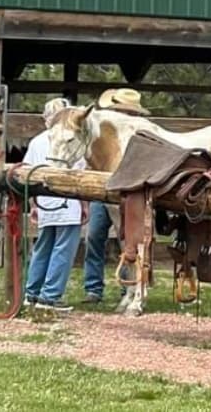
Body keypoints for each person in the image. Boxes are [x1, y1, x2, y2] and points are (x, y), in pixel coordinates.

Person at [82, 87, 150, 304]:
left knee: (128, 239)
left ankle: (127, 287)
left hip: (127, 193)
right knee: (94, 236)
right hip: (102, 191)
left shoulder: (140, 134)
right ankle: (94, 287)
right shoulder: (104, 134)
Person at [23, 97, 83, 312]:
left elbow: (27, 174)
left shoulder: (36, 141)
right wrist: (84, 206)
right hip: (68, 200)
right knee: (63, 249)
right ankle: (51, 296)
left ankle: (32, 293)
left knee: (43, 247)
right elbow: (80, 174)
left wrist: (33, 204)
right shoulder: (71, 138)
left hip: (44, 200)